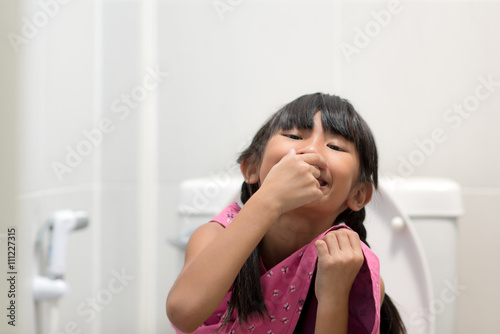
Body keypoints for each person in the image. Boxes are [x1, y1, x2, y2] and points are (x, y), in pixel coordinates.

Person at [166, 93, 406, 334]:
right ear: (251, 168)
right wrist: (270, 198)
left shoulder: (349, 269)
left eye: (335, 146)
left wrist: (334, 296)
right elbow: (183, 314)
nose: (311, 151)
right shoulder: (215, 236)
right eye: (293, 136)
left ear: (357, 195)